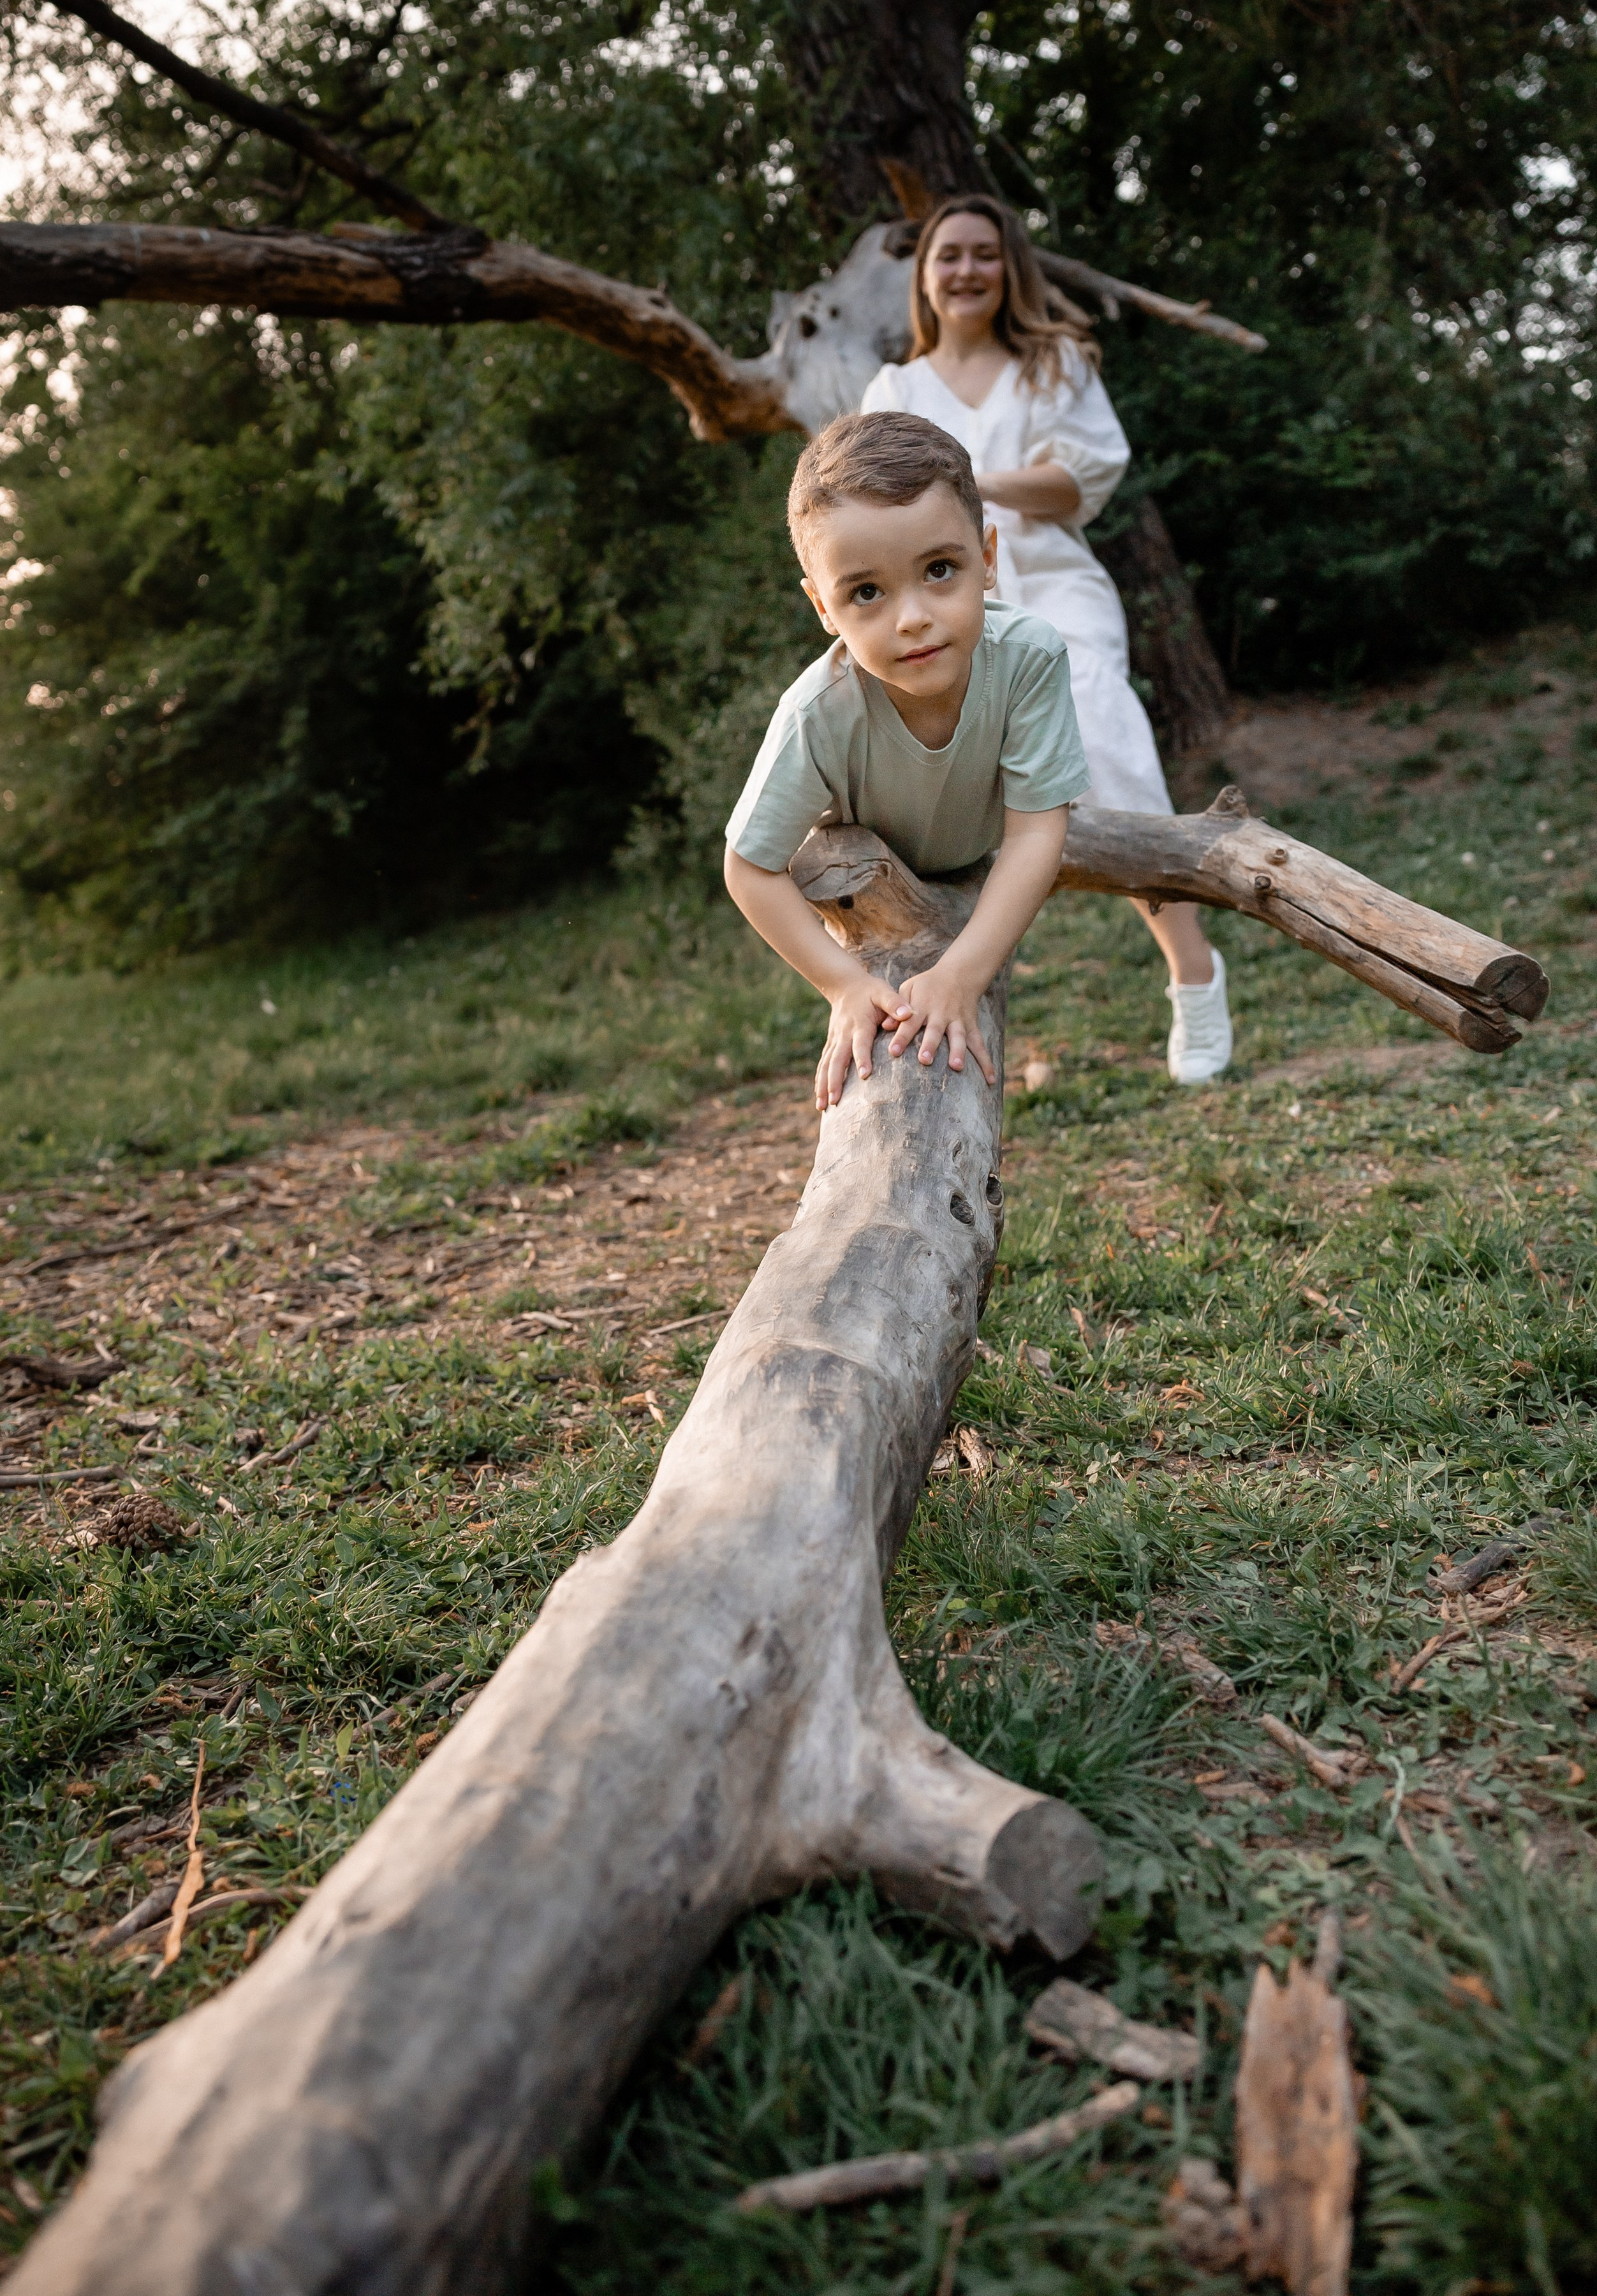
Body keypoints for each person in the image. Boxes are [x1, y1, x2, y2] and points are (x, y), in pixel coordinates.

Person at [860, 193, 1233, 1085]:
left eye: (984, 253)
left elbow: (1078, 484)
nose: (967, 270)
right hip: (939, 603)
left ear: (1010, 269)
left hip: (1052, 584)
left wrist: (967, 481)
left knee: (1103, 725)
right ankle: (920, 1002)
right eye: (949, 255)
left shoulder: (1053, 363)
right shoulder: (894, 392)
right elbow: (867, 509)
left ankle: (1193, 972)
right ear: (925, 276)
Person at [724, 410, 1086, 1115]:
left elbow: (1037, 832)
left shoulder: (1029, 658)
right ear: (822, 605)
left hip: (983, 847)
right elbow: (749, 868)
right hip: (872, 879)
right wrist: (843, 984)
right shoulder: (817, 714)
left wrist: (961, 975)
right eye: (867, 592)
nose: (912, 617)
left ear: (988, 558)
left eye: (939, 570)